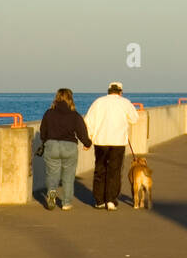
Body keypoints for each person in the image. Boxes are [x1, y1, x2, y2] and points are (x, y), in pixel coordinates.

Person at [84, 82, 138, 210]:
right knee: (114, 171)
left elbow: (88, 121)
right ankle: (111, 200)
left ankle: (99, 200)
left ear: (108, 91)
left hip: (101, 141)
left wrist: (90, 137)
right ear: (120, 91)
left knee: (100, 170)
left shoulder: (98, 102)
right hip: (118, 142)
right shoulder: (125, 102)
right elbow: (134, 119)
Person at [39, 88, 92, 210]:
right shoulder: (74, 115)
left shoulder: (49, 113)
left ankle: (52, 191)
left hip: (51, 145)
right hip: (69, 146)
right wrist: (87, 143)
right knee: (68, 176)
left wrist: (45, 141)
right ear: (70, 99)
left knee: (52, 174)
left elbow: (43, 131)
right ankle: (66, 203)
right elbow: (82, 132)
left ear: (56, 98)